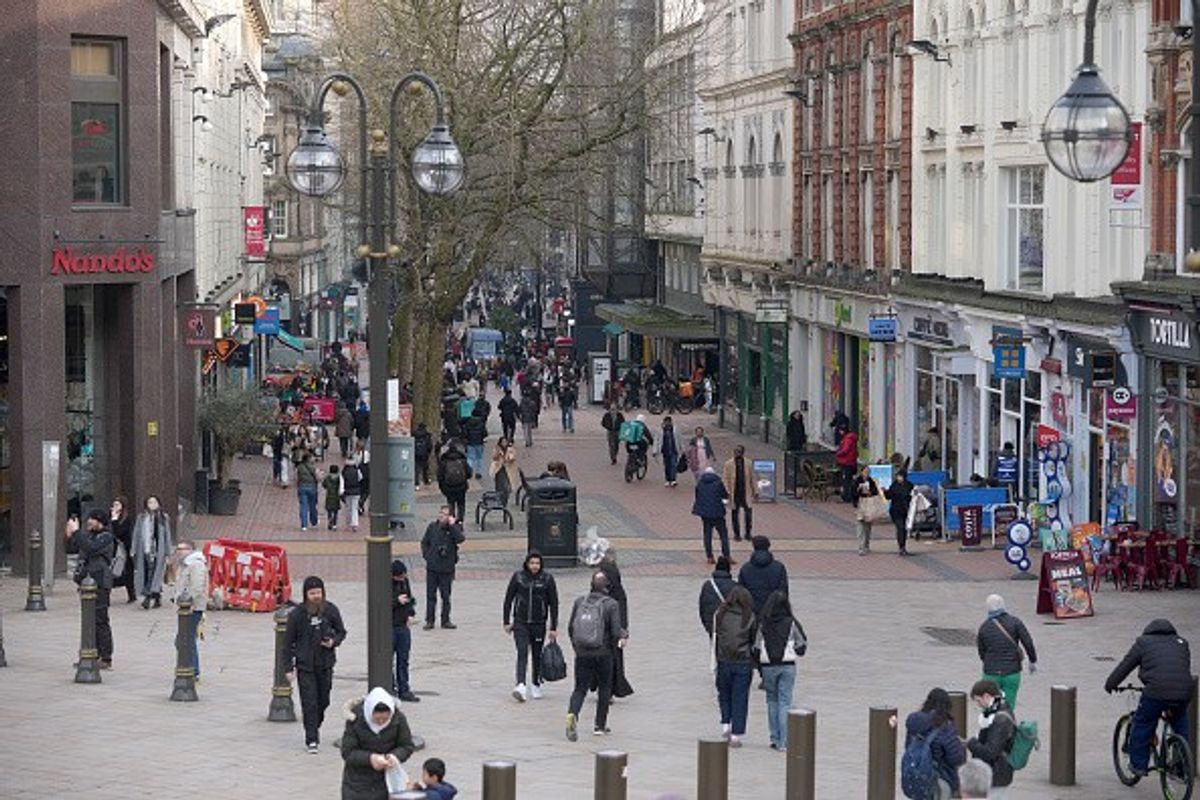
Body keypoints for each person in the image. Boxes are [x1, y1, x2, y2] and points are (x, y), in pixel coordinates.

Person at [1103, 618, 1193, 778]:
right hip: (1184, 691)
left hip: (1156, 692)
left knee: (1143, 722)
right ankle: (1182, 764)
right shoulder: (1182, 642)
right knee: (1180, 722)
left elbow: (1125, 665)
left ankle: (1138, 765)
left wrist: (1110, 684)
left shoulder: (1143, 642)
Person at [283, 575, 348, 753]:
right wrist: (288, 667)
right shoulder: (297, 615)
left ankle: (314, 724)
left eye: (318, 592)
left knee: (323, 700)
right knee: (309, 702)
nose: (316, 596)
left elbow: (341, 632)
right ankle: (311, 738)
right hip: (305, 666)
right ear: (306, 595)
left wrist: (333, 641)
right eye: (312, 593)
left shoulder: (330, 610)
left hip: (325, 664)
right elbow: (287, 643)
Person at [565, 571, 628, 741]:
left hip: (582, 653)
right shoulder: (611, 604)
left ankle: (572, 714)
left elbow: (571, 628)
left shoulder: (579, 602)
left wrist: (577, 649)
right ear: (607, 587)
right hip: (603, 653)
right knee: (605, 688)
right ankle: (599, 725)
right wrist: (624, 635)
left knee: (579, 689)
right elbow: (615, 631)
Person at [339, 686, 415, 800]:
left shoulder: (398, 719)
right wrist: (370, 758)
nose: (381, 722)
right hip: (357, 783)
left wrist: (394, 756)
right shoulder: (355, 720)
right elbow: (348, 752)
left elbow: (406, 746)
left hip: (386, 781)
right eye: (377, 719)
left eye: (385, 719)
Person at [503, 551, 560, 702]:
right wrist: (506, 621)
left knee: (537, 654)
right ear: (527, 564)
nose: (534, 566)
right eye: (532, 563)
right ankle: (520, 684)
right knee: (522, 652)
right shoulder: (518, 577)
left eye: (537, 563)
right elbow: (508, 599)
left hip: (539, 623)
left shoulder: (547, 579)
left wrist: (553, 627)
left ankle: (536, 683)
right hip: (520, 622)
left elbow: (553, 603)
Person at [65, 509, 116, 669]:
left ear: (100, 521)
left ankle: (106, 657)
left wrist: (77, 532)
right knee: (89, 620)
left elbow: (91, 548)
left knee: (100, 620)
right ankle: (90, 653)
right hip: (87, 583)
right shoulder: (88, 535)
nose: (89, 522)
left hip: (100, 582)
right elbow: (73, 548)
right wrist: (70, 534)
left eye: (92, 520)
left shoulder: (106, 537)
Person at [756, 590, 806, 750]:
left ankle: (775, 738)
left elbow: (756, 647)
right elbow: (801, 645)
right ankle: (784, 742)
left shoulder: (763, 623)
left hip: (768, 666)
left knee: (772, 701)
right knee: (785, 701)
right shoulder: (791, 622)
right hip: (787, 665)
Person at [976, 594, 1037, 712]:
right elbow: (1028, 642)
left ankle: (990, 727)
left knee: (988, 707)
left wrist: (990, 662)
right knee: (1008, 706)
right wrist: (1032, 661)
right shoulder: (1015, 622)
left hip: (991, 673)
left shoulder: (984, 627)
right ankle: (1007, 726)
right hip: (1011, 672)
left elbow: (981, 652)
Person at [713, 585, 756, 748]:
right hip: (743, 662)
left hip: (724, 660)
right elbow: (752, 639)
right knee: (740, 698)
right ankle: (736, 734)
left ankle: (726, 724)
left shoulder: (720, 614)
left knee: (724, 693)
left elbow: (716, 636)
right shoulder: (749, 616)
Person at [904, 687, 967, 799]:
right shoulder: (945, 728)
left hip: (916, 776)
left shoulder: (914, 722)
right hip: (940, 779)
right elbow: (956, 758)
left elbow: (908, 747)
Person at [965, 680, 1015, 795]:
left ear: (987, 696)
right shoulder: (999, 709)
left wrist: (971, 743)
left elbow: (990, 752)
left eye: (978, 700)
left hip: (996, 774)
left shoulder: (1000, 720)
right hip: (998, 772)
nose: (978, 705)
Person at [421, 505, 465, 630]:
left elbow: (461, 539)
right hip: (432, 567)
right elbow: (424, 542)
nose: (441, 516)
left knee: (445, 596)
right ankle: (430, 620)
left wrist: (452, 525)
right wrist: (427, 555)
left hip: (447, 568)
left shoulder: (454, 529)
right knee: (431, 595)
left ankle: (445, 620)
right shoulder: (432, 527)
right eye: (441, 513)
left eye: (445, 514)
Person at [597, 550, 634, 699]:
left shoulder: (612, 591)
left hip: (610, 632)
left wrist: (623, 632)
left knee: (610, 660)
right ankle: (607, 688)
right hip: (605, 632)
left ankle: (608, 688)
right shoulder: (614, 591)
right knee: (609, 660)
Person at [172, 539, 208, 679]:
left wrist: (189, 603)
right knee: (186, 639)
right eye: (178, 549)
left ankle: (192, 669)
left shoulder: (196, 564)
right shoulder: (185, 565)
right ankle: (191, 668)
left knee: (184, 640)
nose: (179, 552)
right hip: (184, 609)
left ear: (191, 550)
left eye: (183, 549)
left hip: (193, 609)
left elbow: (197, 587)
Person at [132, 495, 172, 609]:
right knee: (148, 573)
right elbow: (136, 533)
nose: (152, 504)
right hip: (145, 549)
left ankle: (148, 597)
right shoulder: (141, 517)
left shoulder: (163, 517)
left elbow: (167, 535)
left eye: (154, 502)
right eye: (150, 502)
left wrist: (168, 552)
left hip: (158, 550)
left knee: (152, 573)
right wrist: (133, 549)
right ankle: (157, 596)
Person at [390, 560, 419, 702]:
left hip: (403, 626)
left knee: (403, 659)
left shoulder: (405, 581)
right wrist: (396, 600)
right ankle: (390, 687)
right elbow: (379, 603)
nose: (403, 579)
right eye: (400, 577)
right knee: (388, 660)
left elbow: (410, 598)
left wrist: (411, 613)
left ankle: (404, 689)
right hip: (389, 626)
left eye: (404, 576)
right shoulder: (383, 583)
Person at [737, 535, 788, 615]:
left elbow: (741, 593)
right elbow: (783, 591)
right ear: (768, 546)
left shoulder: (745, 568)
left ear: (754, 547)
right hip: (774, 612)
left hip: (752, 612)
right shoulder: (779, 567)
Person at [693, 466, 731, 565]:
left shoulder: (700, 483)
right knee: (723, 534)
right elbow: (725, 495)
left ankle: (709, 556)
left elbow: (697, 496)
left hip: (705, 513)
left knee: (707, 535)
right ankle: (727, 555)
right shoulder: (718, 483)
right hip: (717, 512)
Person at [723, 445, 758, 541]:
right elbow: (725, 478)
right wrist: (727, 490)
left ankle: (748, 533)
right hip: (735, 492)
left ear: (743, 452)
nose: (737, 453)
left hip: (745, 491)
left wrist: (755, 490)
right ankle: (736, 534)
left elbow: (752, 478)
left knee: (748, 514)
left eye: (739, 451)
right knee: (735, 514)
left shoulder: (748, 463)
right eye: (736, 451)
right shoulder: (728, 463)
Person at [698, 555, 737, 635]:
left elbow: (702, 608)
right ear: (729, 569)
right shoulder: (735, 586)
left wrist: (707, 625)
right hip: (730, 627)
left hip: (713, 625)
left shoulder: (707, 585)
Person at [110, 495, 136, 603]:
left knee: (127, 571)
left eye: (117, 504)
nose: (114, 507)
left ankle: (131, 594)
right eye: (114, 504)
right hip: (113, 548)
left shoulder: (126, 519)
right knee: (112, 570)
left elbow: (119, 532)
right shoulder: (111, 517)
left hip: (124, 549)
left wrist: (115, 520)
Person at [436, 441, 470, 522]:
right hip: (461, 486)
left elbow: (440, 475)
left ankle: (452, 519)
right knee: (461, 504)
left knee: (451, 503)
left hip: (448, 487)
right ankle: (460, 520)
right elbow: (469, 473)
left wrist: (442, 485)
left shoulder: (444, 461)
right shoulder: (462, 460)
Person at [884, 468, 914, 556]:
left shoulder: (909, 485)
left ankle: (903, 546)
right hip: (896, 510)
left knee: (903, 528)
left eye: (900, 476)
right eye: (898, 476)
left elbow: (912, 497)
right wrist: (885, 492)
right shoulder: (894, 485)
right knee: (900, 527)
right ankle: (901, 547)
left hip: (905, 510)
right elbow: (889, 496)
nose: (899, 478)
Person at [852, 466, 880, 555]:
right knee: (860, 524)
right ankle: (861, 547)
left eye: (868, 472)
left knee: (868, 526)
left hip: (869, 504)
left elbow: (875, 491)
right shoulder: (857, 481)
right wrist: (859, 491)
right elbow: (852, 493)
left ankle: (866, 545)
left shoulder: (871, 481)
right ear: (861, 472)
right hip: (860, 503)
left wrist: (870, 492)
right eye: (865, 472)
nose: (866, 474)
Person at [489, 437, 520, 506]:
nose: (504, 443)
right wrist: (498, 454)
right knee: (499, 485)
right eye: (502, 442)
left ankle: (505, 497)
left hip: (508, 469)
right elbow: (494, 457)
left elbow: (512, 457)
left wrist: (508, 458)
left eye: (505, 442)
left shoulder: (510, 449)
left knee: (507, 485)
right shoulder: (497, 449)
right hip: (498, 470)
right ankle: (500, 498)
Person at [296, 452, 321, 531]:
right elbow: (318, 478)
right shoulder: (313, 468)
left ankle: (304, 525)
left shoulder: (299, 467)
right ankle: (314, 521)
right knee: (312, 505)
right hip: (312, 487)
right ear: (309, 459)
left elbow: (297, 477)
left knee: (303, 506)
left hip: (302, 487)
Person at [463, 405, 488, 480]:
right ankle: (478, 472)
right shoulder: (481, 423)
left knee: (470, 457)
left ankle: (469, 471)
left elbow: (465, 433)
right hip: (479, 442)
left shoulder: (468, 422)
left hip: (470, 442)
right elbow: (485, 433)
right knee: (479, 458)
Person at [657, 415, 683, 487]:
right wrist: (655, 450)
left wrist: (682, 449)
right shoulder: (661, 430)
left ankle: (673, 479)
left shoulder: (675, 429)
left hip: (674, 450)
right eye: (666, 422)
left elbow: (680, 439)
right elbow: (657, 440)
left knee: (673, 465)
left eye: (669, 422)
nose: (668, 423)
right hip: (665, 451)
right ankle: (667, 479)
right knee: (667, 466)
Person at [836, 429, 859, 503]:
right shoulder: (851, 438)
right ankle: (849, 495)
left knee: (846, 480)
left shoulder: (847, 439)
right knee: (848, 480)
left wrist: (838, 453)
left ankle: (846, 496)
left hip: (846, 462)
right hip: (851, 462)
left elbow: (845, 450)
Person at [342, 460, 362, 531]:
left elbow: (342, 483)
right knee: (355, 508)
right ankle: (355, 524)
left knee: (348, 508)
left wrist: (341, 492)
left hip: (347, 492)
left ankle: (348, 524)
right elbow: (360, 478)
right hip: (356, 492)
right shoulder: (357, 471)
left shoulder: (344, 472)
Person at [323, 464, 343, 531]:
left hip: (329, 495)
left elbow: (324, 485)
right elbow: (341, 486)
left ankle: (329, 520)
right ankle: (334, 524)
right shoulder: (338, 478)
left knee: (329, 510)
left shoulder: (327, 477)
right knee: (335, 511)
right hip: (336, 496)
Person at [413, 423, 433, 488]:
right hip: (424, 454)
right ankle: (426, 480)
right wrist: (428, 452)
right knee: (425, 468)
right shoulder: (427, 435)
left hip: (416, 453)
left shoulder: (414, 434)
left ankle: (416, 483)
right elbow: (429, 446)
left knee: (416, 468)